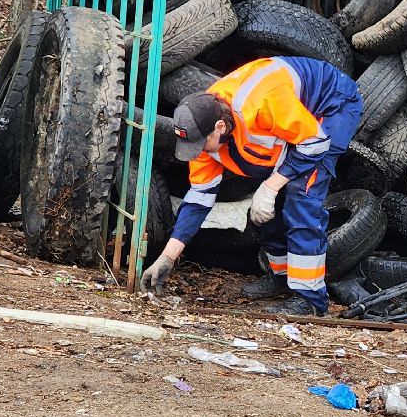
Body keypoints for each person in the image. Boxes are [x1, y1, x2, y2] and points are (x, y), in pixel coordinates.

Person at [140, 55, 364, 317]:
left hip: (332, 103)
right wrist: (167, 257)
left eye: (201, 145)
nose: (198, 152)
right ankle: (281, 278)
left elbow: (315, 143)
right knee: (265, 203)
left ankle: (310, 300)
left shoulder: (261, 104)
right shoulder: (202, 130)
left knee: (301, 194)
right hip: (289, 117)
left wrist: (271, 187)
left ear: (220, 127)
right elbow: (199, 199)